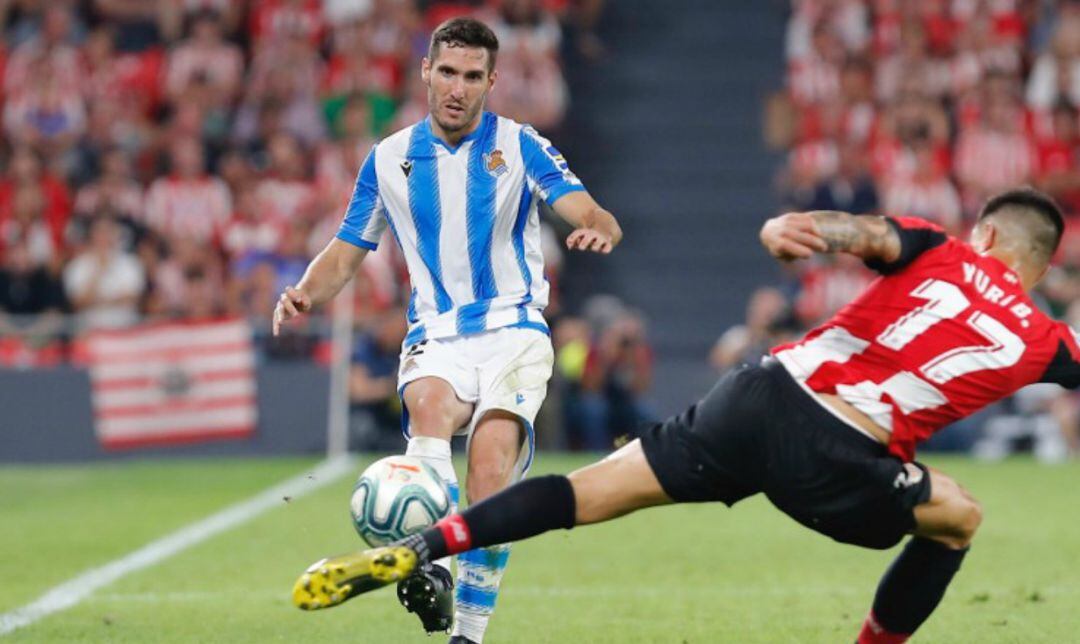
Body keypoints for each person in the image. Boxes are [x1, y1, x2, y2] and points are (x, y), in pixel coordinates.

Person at [292, 188, 1080, 644]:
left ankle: (423, 544)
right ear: (1038, 262)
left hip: (760, 394)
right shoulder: (1048, 341)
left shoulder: (939, 247)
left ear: (984, 234)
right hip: (845, 452)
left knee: (586, 494)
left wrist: (793, 229)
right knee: (959, 515)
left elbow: (865, 234)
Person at [274, 17, 622, 644]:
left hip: (514, 329)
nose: (457, 88)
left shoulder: (520, 146)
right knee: (429, 407)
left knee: (489, 470)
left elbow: (586, 206)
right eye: (446, 73)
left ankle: (466, 634)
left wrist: (598, 225)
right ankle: (429, 564)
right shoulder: (389, 159)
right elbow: (348, 249)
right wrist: (304, 291)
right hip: (436, 333)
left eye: (471, 77)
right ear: (425, 74)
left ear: (491, 82)